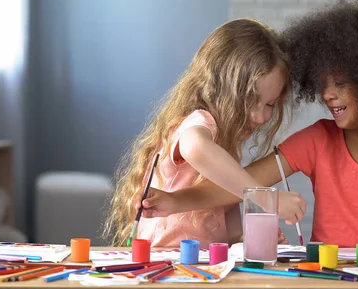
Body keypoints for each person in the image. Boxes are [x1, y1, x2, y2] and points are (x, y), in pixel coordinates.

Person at [136, 0, 358, 253]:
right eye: (322, 83)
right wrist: (177, 201)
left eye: (340, 83)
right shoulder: (318, 140)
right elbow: (232, 189)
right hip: (328, 281)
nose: (327, 95)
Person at [102, 18, 307, 248]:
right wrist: (268, 199)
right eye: (250, 101)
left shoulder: (226, 149)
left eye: (269, 104)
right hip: (167, 264)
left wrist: (247, 239)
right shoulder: (200, 122)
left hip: (204, 269)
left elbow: (228, 227)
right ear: (222, 90)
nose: (260, 117)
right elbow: (195, 148)